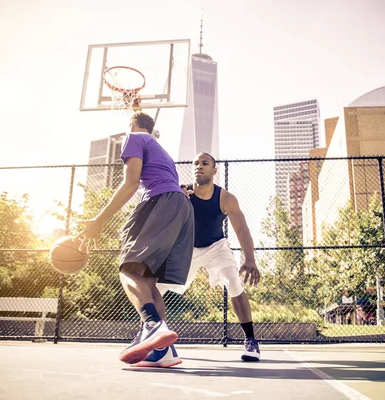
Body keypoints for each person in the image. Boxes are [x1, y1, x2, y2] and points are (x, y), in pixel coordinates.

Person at [76, 112, 194, 368]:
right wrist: (136, 107)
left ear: (132, 125)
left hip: (158, 201)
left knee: (128, 269)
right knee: (149, 280)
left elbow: (130, 184)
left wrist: (99, 221)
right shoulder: (159, 148)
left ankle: (152, 326)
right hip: (181, 208)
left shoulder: (133, 136)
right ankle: (164, 351)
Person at [158, 152, 262, 362]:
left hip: (217, 247)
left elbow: (241, 229)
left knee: (233, 281)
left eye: (205, 163)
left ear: (214, 170)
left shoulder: (225, 198)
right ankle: (154, 338)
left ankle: (251, 341)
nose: (199, 166)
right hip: (188, 250)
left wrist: (249, 259)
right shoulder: (182, 193)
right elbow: (164, 221)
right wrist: (177, 202)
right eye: (196, 163)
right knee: (156, 288)